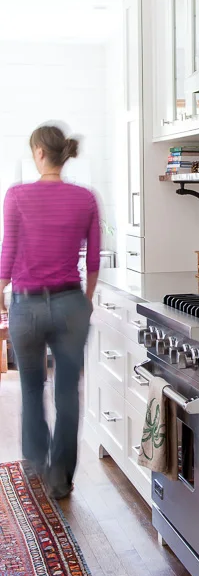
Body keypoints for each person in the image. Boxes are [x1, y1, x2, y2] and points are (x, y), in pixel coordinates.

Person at [0, 125, 100, 499]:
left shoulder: (17, 195)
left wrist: (0, 293)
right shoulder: (85, 198)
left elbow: (8, 253)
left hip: (27, 305)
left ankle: (35, 461)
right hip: (70, 302)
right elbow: (92, 259)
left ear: (39, 152)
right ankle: (60, 478)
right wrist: (86, 298)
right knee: (68, 391)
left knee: (30, 387)